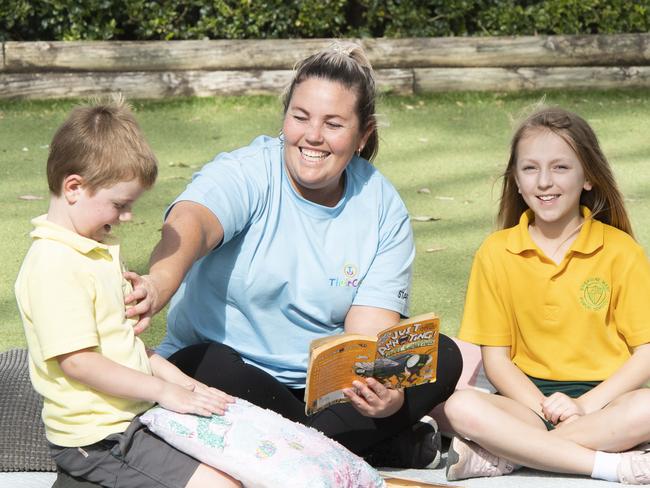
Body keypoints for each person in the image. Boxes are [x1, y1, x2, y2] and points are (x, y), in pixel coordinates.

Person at [126, 41, 463, 469]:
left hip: (323, 395)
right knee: (203, 363)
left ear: (363, 135)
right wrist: (158, 284)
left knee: (443, 356)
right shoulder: (246, 170)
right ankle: (368, 447)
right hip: (232, 378)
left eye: (334, 124)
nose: (312, 136)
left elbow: (366, 340)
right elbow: (194, 223)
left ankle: (312, 447)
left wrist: (385, 397)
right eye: (300, 117)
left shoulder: (382, 206)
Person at [15, 99, 240, 488]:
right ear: (74, 187)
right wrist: (164, 391)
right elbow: (80, 363)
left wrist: (183, 383)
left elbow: (125, 346)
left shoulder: (93, 254)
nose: (126, 217)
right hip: (99, 439)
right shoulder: (54, 264)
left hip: (128, 422)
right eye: (119, 205)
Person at [443, 107, 650, 484]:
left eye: (560, 167)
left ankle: (510, 454)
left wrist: (583, 406)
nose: (543, 182)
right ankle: (610, 463)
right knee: (459, 406)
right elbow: (497, 360)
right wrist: (545, 408)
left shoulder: (622, 252)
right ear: (517, 182)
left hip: (605, 402)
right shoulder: (495, 252)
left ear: (587, 176)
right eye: (530, 169)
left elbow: (646, 353)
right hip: (528, 402)